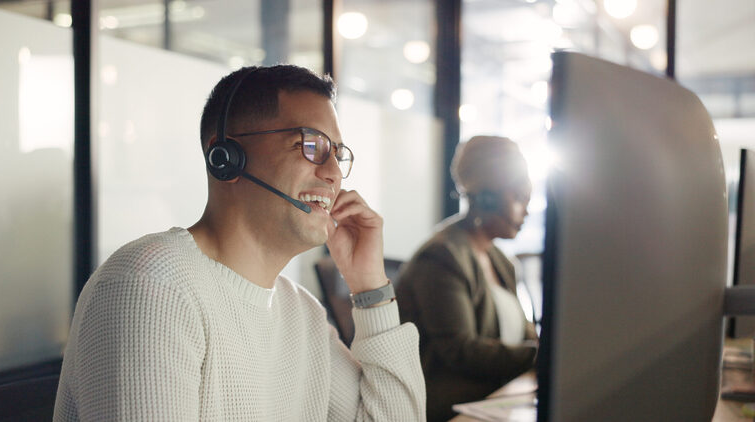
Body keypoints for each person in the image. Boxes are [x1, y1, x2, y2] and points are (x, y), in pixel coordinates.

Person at [54, 65, 425, 421]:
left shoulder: (302, 314)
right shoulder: (152, 285)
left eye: (338, 156)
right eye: (312, 145)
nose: (333, 175)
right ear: (226, 158)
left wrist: (370, 288)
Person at [396, 136, 538, 421]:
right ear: (487, 197)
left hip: (495, 399)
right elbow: (460, 350)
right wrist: (540, 356)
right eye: (519, 198)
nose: (527, 210)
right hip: (449, 409)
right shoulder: (441, 257)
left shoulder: (502, 261)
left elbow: (524, 335)